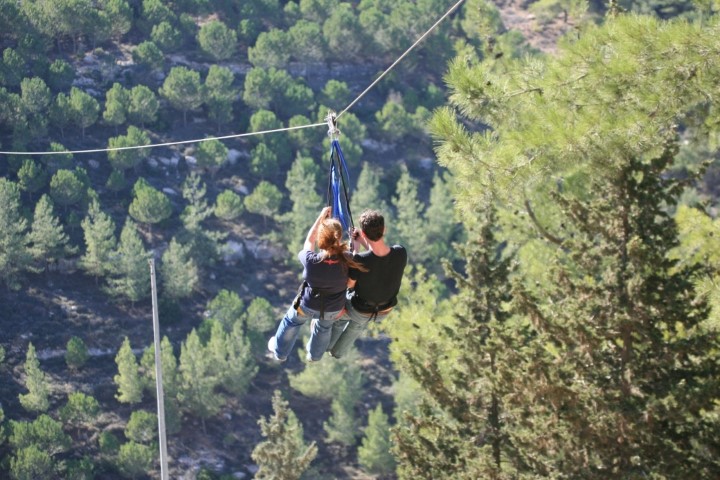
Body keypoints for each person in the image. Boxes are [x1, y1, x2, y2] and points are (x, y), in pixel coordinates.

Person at [268, 207, 364, 362]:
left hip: (308, 304)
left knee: (291, 321)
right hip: (334, 307)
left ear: (322, 238)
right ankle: (314, 355)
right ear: (339, 238)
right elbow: (355, 255)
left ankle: (280, 352)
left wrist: (320, 218)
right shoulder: (348, 260)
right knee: (324, 327)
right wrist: (355, 242)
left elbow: (309, 241)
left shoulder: (311, 260)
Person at [327, 209, 407, 358]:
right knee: (359, 320)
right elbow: (378, 259)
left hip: (359, 309)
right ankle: (337, 352)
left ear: (363, 233)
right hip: (385, 310)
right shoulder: (401, 252)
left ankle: (328, 346)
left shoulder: (360, 260)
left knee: (341, 316)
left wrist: (356, 249)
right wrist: (362, 242)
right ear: (384, 229)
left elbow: (350, 285)